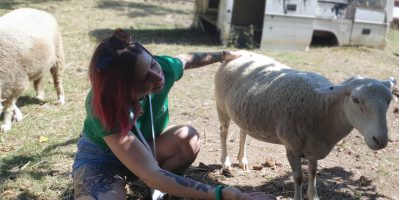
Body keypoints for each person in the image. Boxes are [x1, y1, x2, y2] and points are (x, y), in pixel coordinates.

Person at [72, 29, 274, 200]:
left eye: (152, 64)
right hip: (102, 160)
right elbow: (151, 173)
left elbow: (186, 59)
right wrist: (226, 194)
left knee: (189, 139)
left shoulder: (161, 69)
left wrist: (222, 54)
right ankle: (147, 183)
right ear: (123, 90)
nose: (157, 77)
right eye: (144, 79)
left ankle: (158, 188)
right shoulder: (103, 105)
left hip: (147, 149)